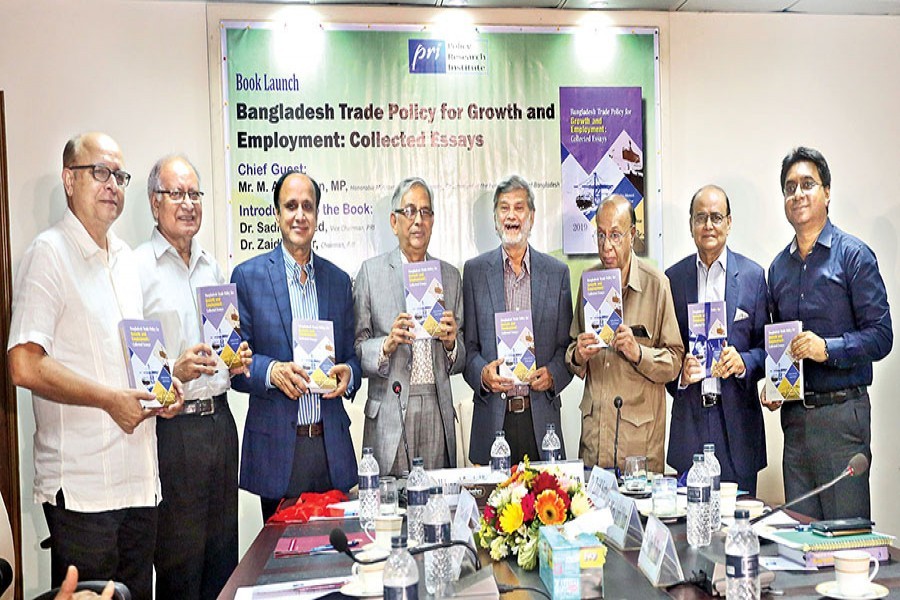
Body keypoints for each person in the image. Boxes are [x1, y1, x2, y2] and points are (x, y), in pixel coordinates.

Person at [7, 132, 182, 600]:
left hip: (140, 485)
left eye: (119, 176)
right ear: (69, 180)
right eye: (98, 172)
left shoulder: (125, 259)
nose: (112, 185)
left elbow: (124, 356)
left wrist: (163, 390)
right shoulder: (48, 253)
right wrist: (109, 400)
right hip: (84, 493)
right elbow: (23, 365)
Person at [134, 155, 252, 599]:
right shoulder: (136, 268)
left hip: (221, 424)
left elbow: (226, 344)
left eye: (194, 194)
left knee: (223, 558)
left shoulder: (212, 268)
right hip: (173, 432)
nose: (188, 204)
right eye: (176, 194)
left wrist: (236, 356)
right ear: (154, 203)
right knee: (180, 563)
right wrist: (174, 372)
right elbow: (126, 362)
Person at [762, 147, 892, 520]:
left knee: (846, 541)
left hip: (842, 417)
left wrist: (827, 349)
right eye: (789, 188)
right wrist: (774, 385)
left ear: (827, 192)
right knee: (801, 541)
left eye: (807, 184)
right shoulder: (778, 269)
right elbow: (780, 346)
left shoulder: (854, 256)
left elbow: (882, 336)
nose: (797, 194)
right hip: (796, 423)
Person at [231, 170, 361, 522]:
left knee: (337, 560)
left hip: (329, 447)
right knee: (281, 564)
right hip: (277, 452)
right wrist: (271, 371)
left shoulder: (338, 280)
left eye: (307, 206)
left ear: (318, 215)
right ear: (277, 214)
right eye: (290, 206)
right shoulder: (248, 277)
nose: (299, 215)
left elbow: (351, 355)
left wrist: (350, 372)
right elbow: (235, 366)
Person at [354, 177, 464, 474]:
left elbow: (463, 357)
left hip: (436, 408)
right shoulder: (370, 272)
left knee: (437, 508)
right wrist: (386, 345)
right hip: (390, 407)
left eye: (426, 212)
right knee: (387, 513)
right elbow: (357, 349)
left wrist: (452, 343)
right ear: (394, 221)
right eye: (410, 211)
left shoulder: (451, 276)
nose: (418, 220)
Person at [566, 194, 682, 474]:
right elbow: (571, 352)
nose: (607, 246)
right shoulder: (588, 282)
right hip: (595, 444)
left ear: (632, 235)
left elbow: (674, 361)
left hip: (638, 449)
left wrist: (638, 353)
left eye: (616, 235)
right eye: (601, 235)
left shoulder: (657, 285)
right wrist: (578, 355)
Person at [463, 175, 573, 466]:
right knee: (492, 510)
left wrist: (552, 375)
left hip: (541, 422)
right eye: (504, 208)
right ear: (496, 218)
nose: (512, 215)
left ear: (532, 217)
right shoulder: (474, 272)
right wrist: (482, 376)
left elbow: (567, 349)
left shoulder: (557, 273)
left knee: (547, 507)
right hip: (492, 422)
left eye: (519, 207)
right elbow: (468, 348)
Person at [664, 185, 767, 494]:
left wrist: (744, 362)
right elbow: (666, 349)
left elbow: (768, 349)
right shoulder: (673, 279)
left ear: (729, 223)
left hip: (737, 426)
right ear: (691, 225)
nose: (708, 225)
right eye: (701, 217)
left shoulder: (753, 276)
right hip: (690, 423)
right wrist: (679, 375)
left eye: (716, 217)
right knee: (690, 529)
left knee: (736, 528)